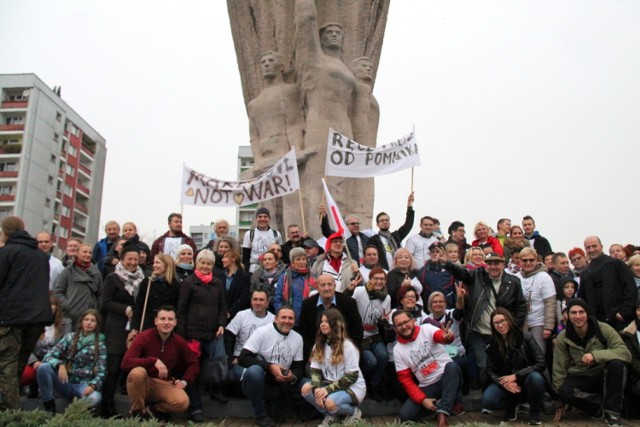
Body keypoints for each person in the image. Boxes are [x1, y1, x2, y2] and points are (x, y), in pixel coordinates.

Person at [443, 253, 527, 387]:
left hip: (502, 333)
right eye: (490, 263)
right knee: (483, 366)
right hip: (479, 333)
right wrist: (447, 263)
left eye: (496, 263)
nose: (493, 267)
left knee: (503, 365)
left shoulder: (513, 281)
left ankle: (503, 395)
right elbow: (461, 273)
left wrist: (515, 326)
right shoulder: (477, 276)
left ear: (503, 264)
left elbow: (521, 305)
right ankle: (488, 397)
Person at [247, 50, 306, 232]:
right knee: (266, 206)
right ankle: (267, 244)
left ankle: (292, 240)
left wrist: (296, 150)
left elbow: (295, 124)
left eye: (271, 60)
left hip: (285, 156)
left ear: (281, 66)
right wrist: (257, 160)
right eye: (263, 61)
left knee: (291, 203)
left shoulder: (289, 91)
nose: (266, 64)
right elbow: (254, 136)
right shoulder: (254, 103)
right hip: (265, 159)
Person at [0, 216, 52, 410]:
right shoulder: (41, 255)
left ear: (5, 233)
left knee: (6, 365)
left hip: (10, 318)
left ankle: (12, 413)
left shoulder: (5, 253)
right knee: (19, 365)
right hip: (37, 318)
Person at [552, 299, 630, 426]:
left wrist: (595, 355)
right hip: (581, 375)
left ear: (587, 313)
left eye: (581, 312)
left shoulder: (603, 329)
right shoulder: (563, 337)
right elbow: (558, 369)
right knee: (563, 391)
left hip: (604, 374)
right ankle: (596, 408)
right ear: (567, 315)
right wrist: (559, 402)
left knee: (617, 364)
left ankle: (612, 413)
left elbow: (625, 353)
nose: (578, 316)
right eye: (573, 313)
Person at [121, 305, 199, 421]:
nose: (166, 322)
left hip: (164, 383)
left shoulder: (179, 341)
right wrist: (152, 361)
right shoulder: (144, 337)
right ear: (156, 321)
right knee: (137, 372)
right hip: (144, 382)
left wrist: (185, 380)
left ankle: (151, 410)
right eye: (162, 319)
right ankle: (137, 413)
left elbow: (194, 363)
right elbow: (126, 363)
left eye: (170, 319)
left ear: (175, 322)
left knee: (182, 402)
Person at [176, 249, 226, 423]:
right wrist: (181, 335)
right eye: (202, 263)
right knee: (192, 371)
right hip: (192, 335)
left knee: (213, 367)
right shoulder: (189, 283)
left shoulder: (218, 283)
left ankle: (215, 395)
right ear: (197, 264)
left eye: (209, 263)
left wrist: (221, 324)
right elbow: (181, 310)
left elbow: (222, 307)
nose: (205, 266)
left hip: (212, 333)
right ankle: (195, 408)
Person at [392, 310, 461, 426]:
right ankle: (444, 402)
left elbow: (442, 336)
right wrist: (423, 400)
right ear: (395, 329)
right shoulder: (397, 350)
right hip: (428, 385)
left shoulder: (426, 329)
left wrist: (447, 336)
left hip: (447, 376)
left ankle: (442, 413)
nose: (404, 326)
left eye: (406, 322)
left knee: (452, 366)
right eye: (399, 325)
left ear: (413, 320)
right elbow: (406, 381)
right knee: (406, 415)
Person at [100, 242, 145, 417]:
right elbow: (105, 303)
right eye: (129, 259)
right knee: (113, 367)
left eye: (136, 259)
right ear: (122, 259)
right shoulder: (113, 278)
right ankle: (107, 407)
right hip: (116, 327)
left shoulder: (143, 278)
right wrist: (124, 309)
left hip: (134, 327)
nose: (133, 262)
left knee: (131, 364)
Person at [238, 307, 304, 427]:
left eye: (291, 318)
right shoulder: (262, 332)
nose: (287, 321)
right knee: (254, 371)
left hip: (281, 382)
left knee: (305, 383)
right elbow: (243, 358)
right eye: (283, 317)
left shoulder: (298, 338)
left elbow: (299, 367)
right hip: (258, 380)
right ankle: (260, 415)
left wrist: (291, 376)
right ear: (275, 319)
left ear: (295, 321)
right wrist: (269, 367)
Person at [482, 307, 547, 425]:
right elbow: (490, 370)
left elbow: (541, 363)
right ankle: (511, 407)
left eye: (503, 321)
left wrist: (516, 376)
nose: (500, 325)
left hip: (526, 378)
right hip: (506, 382)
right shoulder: (492, 344)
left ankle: (534, 413)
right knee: (488, 400)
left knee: (536, 378)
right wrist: (503, 382)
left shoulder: (526, 337)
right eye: (496, 323)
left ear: (509, 320)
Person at [301, 309, 365, 425]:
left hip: (351, 386)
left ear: (335, 323)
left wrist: (327, 390)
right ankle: (331, 415)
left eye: (326, 321)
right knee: (306, 389)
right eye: (322, 321)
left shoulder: (347, 346)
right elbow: (315, 371)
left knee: (330, 402)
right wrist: (317, 390)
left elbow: (352, 376)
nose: (323, 324)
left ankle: (353, 412)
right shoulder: (319, 344)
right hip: (328, 383)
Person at [37, 309, 107, 414]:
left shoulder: (100, 343)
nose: (89, 323)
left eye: (93, 320)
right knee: (43, 367)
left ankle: (74, 414)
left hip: (84, 385)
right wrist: (60, 365)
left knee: (95, 398)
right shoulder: (70, 337)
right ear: (82, 322)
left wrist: (93, 385)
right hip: (66, 381)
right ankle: (50, 408)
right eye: (86, 319)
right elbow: (48, 356)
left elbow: (102, 371)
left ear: (97, 324)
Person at [345, 267, 390, 401]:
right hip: (360, 334)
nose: (379, 281)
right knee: (371, 362)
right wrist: (349, 290)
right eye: (375, 278)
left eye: (382, 279)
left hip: (374, 333)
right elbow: (345, 304)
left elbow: (383, 318)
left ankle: (374, 385)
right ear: (370, 279)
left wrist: (383, 321)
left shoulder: (386, 297)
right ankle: (359, 384)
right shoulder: (360, 291)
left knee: (383, 356)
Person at [298, 275, 364, 361]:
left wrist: (350, 353)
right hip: (317, 352)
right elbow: (303, 332)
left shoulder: (349, 303)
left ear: (335, 286)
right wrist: (310, 354)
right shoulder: (308, 304)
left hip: (343, 350)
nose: (326, 288)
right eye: (323, 285)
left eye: (329, 284)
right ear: (317, 287)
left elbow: (357, 331)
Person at [578, 235, 637, 331]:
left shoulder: (616, 264)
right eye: (588, 247)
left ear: (601, 246)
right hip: (597, 323)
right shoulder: (585, 273)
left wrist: (624, 312)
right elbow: (582, 298)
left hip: (620, 321)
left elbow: (631, 288)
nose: (591, 249)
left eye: (594, 246)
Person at [21, 295, 72, 397]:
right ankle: (33, 386)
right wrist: (34, 362)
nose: (49, 307)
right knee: (25, 374)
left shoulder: (66, 323)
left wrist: (55, 362)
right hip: (37, 360)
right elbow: (26, 345)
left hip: (57, 360)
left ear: (57, 307)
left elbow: (67, 345)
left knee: (46, 368)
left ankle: (49, 399)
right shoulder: (33, 322)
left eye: (52, 304)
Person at [225, 290, 275, 382]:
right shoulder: (241, 315)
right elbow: (228, 336)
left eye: (261, 300)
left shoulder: (273, 320)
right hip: (241, 359)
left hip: (263, 360)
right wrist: (231, 358)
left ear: (267, 302)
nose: (258, 303)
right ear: (251, 301)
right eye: (255, 299)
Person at [515, 247, 557, 353]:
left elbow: (550, 303)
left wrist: (548, 327)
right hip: (522, 322)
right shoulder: (516, 277)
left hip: (539, 322)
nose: (528, 263)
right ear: (519, 261)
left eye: (531, 260)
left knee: (538, 353)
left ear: (536, 260)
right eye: (525, 260)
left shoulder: (544, 277)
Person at [54, 243, 103, 327]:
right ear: (77, 253)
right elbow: (58, 292)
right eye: (84, 252)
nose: (87, 254)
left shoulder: (96, 272)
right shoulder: (68, 271)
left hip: (89, 317)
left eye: (90, 253)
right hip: (70, 316)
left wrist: (96, 308)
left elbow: (101, 293)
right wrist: (67, 305)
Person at [131, 253, 179, 333]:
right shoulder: (147, 282)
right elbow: (139, 306)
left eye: (157, 262)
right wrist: (135, 327)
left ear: (166, 264)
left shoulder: (176, 285)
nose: (154, 265)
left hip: (168, 327)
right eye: (154, 263)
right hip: (149, 325)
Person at [368, 192, 416, 270]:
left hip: (399, 271)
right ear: (377, 224)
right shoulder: (373, 240)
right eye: (382, 220)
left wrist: (409, 206)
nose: (385, 222)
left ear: (389, 223)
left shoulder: (396, 236)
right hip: (384, 272)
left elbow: (408, 225)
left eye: (387, 220)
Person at [275, 248, 316, 323]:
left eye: (304, 259)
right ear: (292, 262)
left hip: (310, 319)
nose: (301, 262)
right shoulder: (284, 278)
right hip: (289, 320)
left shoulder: (314, 277)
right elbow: (278, 299)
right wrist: (282, 315)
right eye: (298, 259)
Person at [242, 207, 283, 273]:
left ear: (269, 218)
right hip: (253, 270)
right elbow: (245, 257)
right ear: (256, 219)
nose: (262, 219)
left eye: (265, 217)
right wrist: (245, 273)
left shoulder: (276, 234)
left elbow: (280, 255)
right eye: (260, 217)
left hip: (272, 270)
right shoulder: (249, 234)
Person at [418, 242, 457, 309]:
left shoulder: (451, 269)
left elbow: (456, 291)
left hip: (448, 309)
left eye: (438, 251)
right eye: (433, 252)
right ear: (429, 254)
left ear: (443, 253)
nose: (435, 254)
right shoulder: (422, 271)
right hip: (429, 311)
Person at [217, 248, 251, 320]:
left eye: (225, 257)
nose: (222, 260)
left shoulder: (245, 277)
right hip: (221, 315)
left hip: (237, 316)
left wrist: (230, 312)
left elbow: (243, 298)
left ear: (233, 259)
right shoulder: (220, 276)